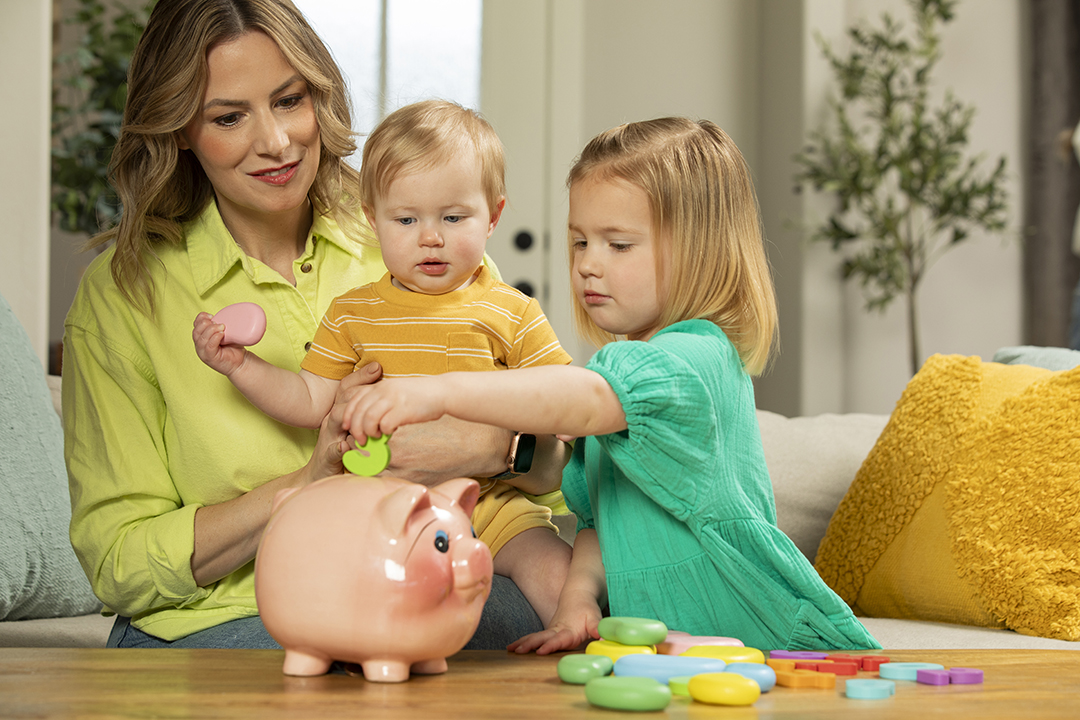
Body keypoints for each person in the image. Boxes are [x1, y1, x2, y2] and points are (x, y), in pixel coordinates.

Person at [61, 0, 566, 650]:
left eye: (289, 100)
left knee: (565, 614)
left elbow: (557, 468)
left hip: (429, 578)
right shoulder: (123, 298)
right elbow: (119, 563)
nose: (275, 140)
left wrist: (503, 449)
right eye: (229, 116)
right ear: (181, 128)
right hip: (238, 615)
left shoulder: (418, 233)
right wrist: (306, 483)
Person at [340, 117, 882, 653]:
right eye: (579, 242)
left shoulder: (693, 358)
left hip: (763, 639)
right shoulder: (625, 368)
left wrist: (436, 392)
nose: (587, 266)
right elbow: (603, 524)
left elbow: (584, 399)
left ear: (701, 249)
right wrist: (578, 599)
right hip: (664, 653)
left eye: (617, 246)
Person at [192, 99, 573, 624]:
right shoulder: (353, 313)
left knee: (561, 577)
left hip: (492, 503)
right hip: (380, 508)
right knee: (346, 595)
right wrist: (241, 367)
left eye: (454, 217)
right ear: (373, 219)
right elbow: (308, 400)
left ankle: (588, 665)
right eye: (407, 218)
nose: (431, 236)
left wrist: (557, 434)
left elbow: (569, 397)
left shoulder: (512, 310)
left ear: (494, 217)